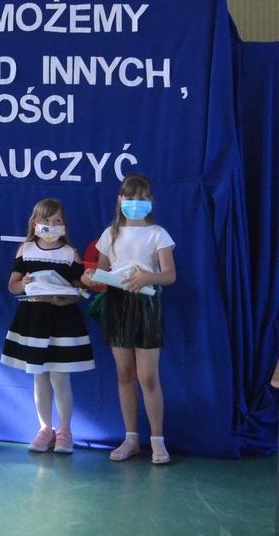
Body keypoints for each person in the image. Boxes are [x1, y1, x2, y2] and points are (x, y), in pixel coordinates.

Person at [83, 173, 176, 464]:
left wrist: (149, 277)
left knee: (148, 376)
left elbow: (169, 275)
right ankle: (131, 438)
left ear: (151, 202)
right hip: (116, 304)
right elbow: (101, 274)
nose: (136, 203)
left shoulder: (158, 234)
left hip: (147, 303)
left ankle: (158, 440)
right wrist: (89, 278)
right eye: (131, 198)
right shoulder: (109, 234)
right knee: (124, 374)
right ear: (120, 200)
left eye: (142, 198)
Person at [0, 199, 94, 453]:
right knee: (39, 376)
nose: (52, 225)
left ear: (64, 224)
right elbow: (13, 286)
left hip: (62, 320)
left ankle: (65, 431)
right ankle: (45, 429)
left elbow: (80, 289)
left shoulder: (70, 253)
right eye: (46, 221)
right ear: (35, 224)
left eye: (57, 221)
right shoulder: (25, 250)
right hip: (33, 319)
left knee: (60, 377)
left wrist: (68, 294)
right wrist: (23, 283)